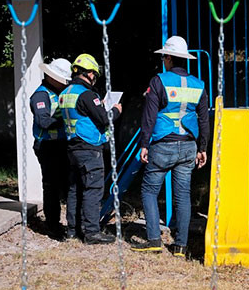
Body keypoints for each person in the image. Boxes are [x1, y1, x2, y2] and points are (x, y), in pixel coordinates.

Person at [131, 36, 210, 257]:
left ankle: (154, 239)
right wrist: (203, 147)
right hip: (188, 146)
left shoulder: (159, 81)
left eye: (164, 56)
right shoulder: (199, 84)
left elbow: (149, 116)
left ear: (167, 58)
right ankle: (181, 246)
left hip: (163, 144)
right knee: (182, 195)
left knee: (149, 190)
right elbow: (204, 119)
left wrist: (144, 144)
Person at [60, 53, 122, 244]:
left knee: (74, 189)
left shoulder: (65, 93)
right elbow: (104, 119)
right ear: (89, 73)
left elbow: (82, 114)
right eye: (94, 73)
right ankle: (92, 232)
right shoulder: (87, 94)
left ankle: (72, 230)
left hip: (72, 147)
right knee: (93, 189)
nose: (95, 77)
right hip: (89, 148)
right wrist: (115, 110)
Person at [31, 57, 73, 240]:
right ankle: (52, 225)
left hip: (62, 145)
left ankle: (66, 225)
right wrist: (68, 121)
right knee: (51, 187)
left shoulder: (60, 92)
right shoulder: (41, 95)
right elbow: (43, 121)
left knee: (66, 185)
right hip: (47, 146)